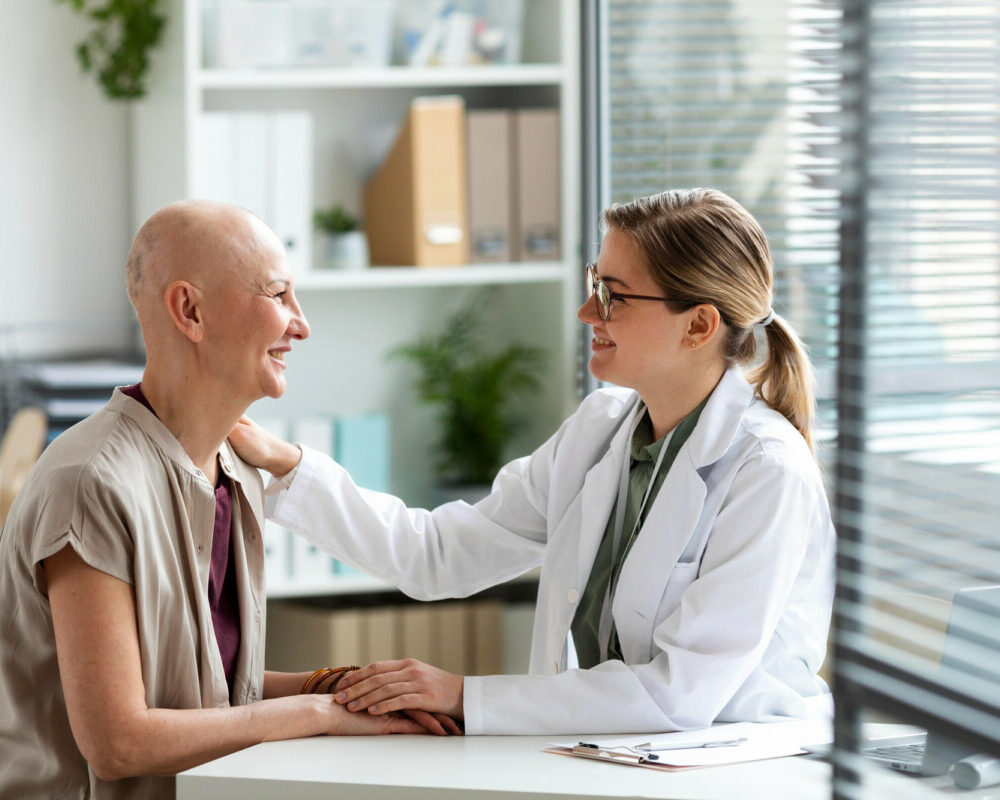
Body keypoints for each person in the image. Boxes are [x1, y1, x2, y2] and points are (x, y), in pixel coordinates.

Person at [230, 188, 836, 735]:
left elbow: (678, 695)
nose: (587, 314)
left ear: (700, 325)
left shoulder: (766, 471)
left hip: (740, 767)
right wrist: (284, 465)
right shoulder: (599, 432)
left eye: (613, 297)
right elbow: (436, 555)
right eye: (594, 284)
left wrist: (465, 696)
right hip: (619, 756)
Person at [0, 201, 433, 800]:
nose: (300, 325)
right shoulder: (90, 483)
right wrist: (317, 716)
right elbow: (119, 741)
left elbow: (219, 696)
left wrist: (347, 689)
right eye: (278, 295)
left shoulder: (236, 471)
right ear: (191, 311)